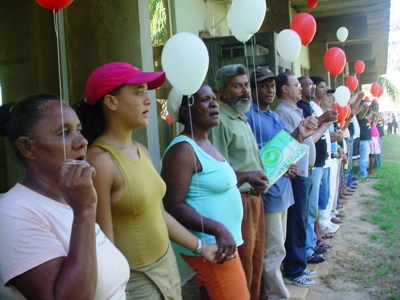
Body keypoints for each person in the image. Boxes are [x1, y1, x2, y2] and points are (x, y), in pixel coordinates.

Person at [74, 62, 218, 300]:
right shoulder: (100, 162)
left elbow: (159, 214)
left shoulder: (141, 149)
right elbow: (103, 245)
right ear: (111, 102)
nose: (148, 100)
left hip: (167, 268)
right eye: (139, 93)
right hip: (137, 282)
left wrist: (202, 248)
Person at [0, 95, 130, 299]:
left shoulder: (70, 197)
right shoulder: (13, 213)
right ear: (27, 148)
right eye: (63, 133)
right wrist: (85, 210)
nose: (83, 142)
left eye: (78, 130)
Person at [161, 83, 248, 300]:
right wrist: (218, 228)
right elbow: (171, 204)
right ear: (184, 110)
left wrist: (248, 176)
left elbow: (214, 185)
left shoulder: (204, 142)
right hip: (211, 247)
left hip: (221, 244)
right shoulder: (183, 149)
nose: (214, 105)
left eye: (214, 99)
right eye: (204, 100)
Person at [247, 69, 319, 292]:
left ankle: (272, 290)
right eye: (263, 85)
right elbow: (256, 157)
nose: (269, 90)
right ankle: (278, 294)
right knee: (273, 249)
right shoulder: (249, 116)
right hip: (268, 193)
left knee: (279, 247)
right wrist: (282, 164)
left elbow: (284, 146)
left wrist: (299, 137)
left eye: (271, 85)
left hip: (283, 191)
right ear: (253, 89)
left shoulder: (274, 116)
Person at [209, 64, 269, 300]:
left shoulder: (241, 118)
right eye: (237, 86)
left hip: (255, 201)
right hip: (238, 204)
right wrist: (247, 178)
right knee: (242, 268)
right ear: (222, 92)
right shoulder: (220, 121)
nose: (245, 90)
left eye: (246, 85)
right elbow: (218, 173)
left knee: (255, 266)